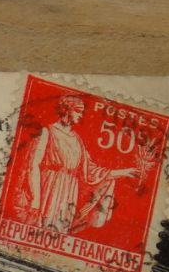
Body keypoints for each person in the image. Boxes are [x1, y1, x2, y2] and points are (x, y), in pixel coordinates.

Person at [18, 94, 140, 234]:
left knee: (59, 232)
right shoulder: (47, 132)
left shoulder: (77, 140)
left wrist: (123, 172)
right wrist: (36, 199)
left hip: (69, 191)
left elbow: (92, 171)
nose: (81, 115)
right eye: (78, 111)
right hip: (50, 188)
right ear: (67, 110)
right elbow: (33, 166)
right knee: (42, 229)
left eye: (82, 112)